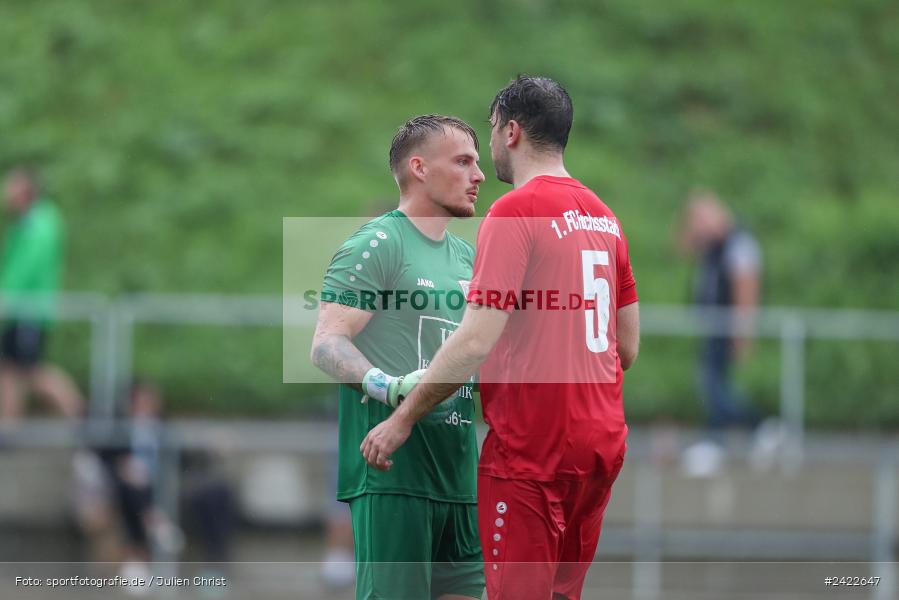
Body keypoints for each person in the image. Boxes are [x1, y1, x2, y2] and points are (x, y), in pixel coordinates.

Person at [361, 76, 640, 600]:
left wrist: (402, 418)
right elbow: (626, 347)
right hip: (602, 442)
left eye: (490, 132)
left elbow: (473, 342)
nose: (487, 156)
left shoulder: (515, 211)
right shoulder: (606, 219)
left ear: (510, 131)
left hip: (535, 450)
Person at [310, 114, 486, 600]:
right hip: (395, 480)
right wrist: (387, 386)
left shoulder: (467, 258)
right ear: (419, 168)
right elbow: (326, 344)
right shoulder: (376, 243)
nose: (480, 175)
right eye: (464, 161)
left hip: (462, 482)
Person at [678, 190, 771, 476]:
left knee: (716, 387)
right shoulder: (713, 244)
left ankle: (759, 426)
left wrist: (742, 332)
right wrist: (691, 226)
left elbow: (747, 290)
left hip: (727, 326)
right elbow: (680, 249)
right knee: (714, 385)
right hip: (713, 326)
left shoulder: (738, 244)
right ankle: (722, 438)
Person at [0, 166, 82, 422]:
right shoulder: (27, 223)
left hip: (29, 310)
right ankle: (8, 427)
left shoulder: (40, 224)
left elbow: (26, 269)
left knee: (33, 371)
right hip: (18, 309)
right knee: (9, 370)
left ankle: (83, 415)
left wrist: (6, 296)